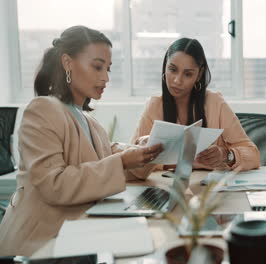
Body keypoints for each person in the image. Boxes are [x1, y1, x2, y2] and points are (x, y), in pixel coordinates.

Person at [0, 25, 163, 256]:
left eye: (108, 69)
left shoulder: (88, 119)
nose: (105, 77)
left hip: (75, 234)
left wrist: (142, 151)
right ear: (68, 63)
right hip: (37, 247)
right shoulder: (42, 110)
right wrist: (123, 161)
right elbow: (54, 184)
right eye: (97, 67)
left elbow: (108, 154)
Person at [131, 38, 261, 171]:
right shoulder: (154, 106)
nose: (177, 80)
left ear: (199, 75)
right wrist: (183, 163)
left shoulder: (215, 103)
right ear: (165, 67)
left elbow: (253, 154)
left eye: (188, 74)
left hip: (211, 188)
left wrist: (226, 155)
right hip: (167, 187)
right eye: (173, 69)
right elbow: (132, 160)